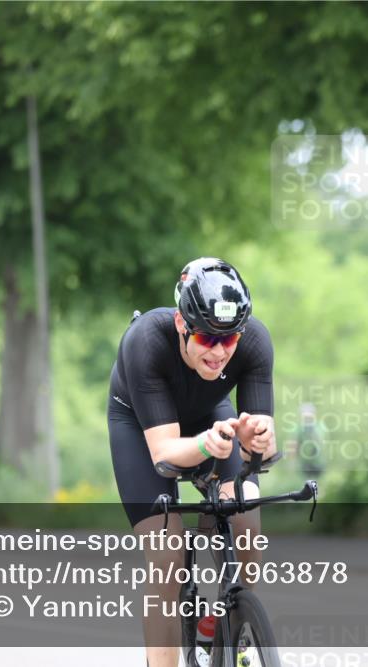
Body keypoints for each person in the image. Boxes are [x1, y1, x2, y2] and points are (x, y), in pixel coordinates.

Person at [107, 257, 277, 667]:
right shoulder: (145, 340)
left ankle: (229, 623)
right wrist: (204, 446)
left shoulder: (254, 341)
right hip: (140, 424)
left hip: (209, 414)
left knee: (246, 526)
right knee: (168, 558)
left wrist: (261, 441)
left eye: (229, 339)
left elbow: (263, 449)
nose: (219, 352)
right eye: (206, 339)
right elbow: (164, 453)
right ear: (183, 325)